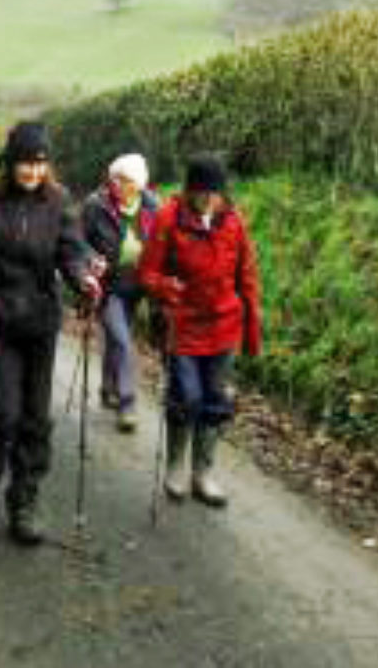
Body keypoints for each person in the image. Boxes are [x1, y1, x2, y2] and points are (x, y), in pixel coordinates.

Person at [0, 121, 103, 545]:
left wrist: (83, 280)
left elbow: (70, 252)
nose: (33, 171)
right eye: (25, 162)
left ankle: (24, 501)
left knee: (35, 418)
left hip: (40, 321)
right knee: (2, 413)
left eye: (40, 163)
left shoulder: (58, 201)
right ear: (10, 161)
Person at [137, 154, 262, 508]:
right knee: (186, 397)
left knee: (215, 400)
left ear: (224, 193)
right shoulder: (168, 218)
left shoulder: (234, 223)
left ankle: (202, 474)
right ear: (189, 190)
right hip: (183, 326)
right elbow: (146, 272)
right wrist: (166, 288)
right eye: (202, 192)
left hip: (224, 326)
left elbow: (247, 278)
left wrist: (251, 333)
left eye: (215, 193)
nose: (209, 199)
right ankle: (175, 467)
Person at [81, 153, 160, 433]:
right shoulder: (96, 205)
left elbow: (162, 243)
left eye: (123, 179)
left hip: (139, 285)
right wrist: (91, 259)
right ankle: (127, 404)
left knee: (118, 339)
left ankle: (107, 387)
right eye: (113, 177)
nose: (116, 183)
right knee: (123, 341)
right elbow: (77, 242)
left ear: (138, 184)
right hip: (109, 285)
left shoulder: (152, 206)